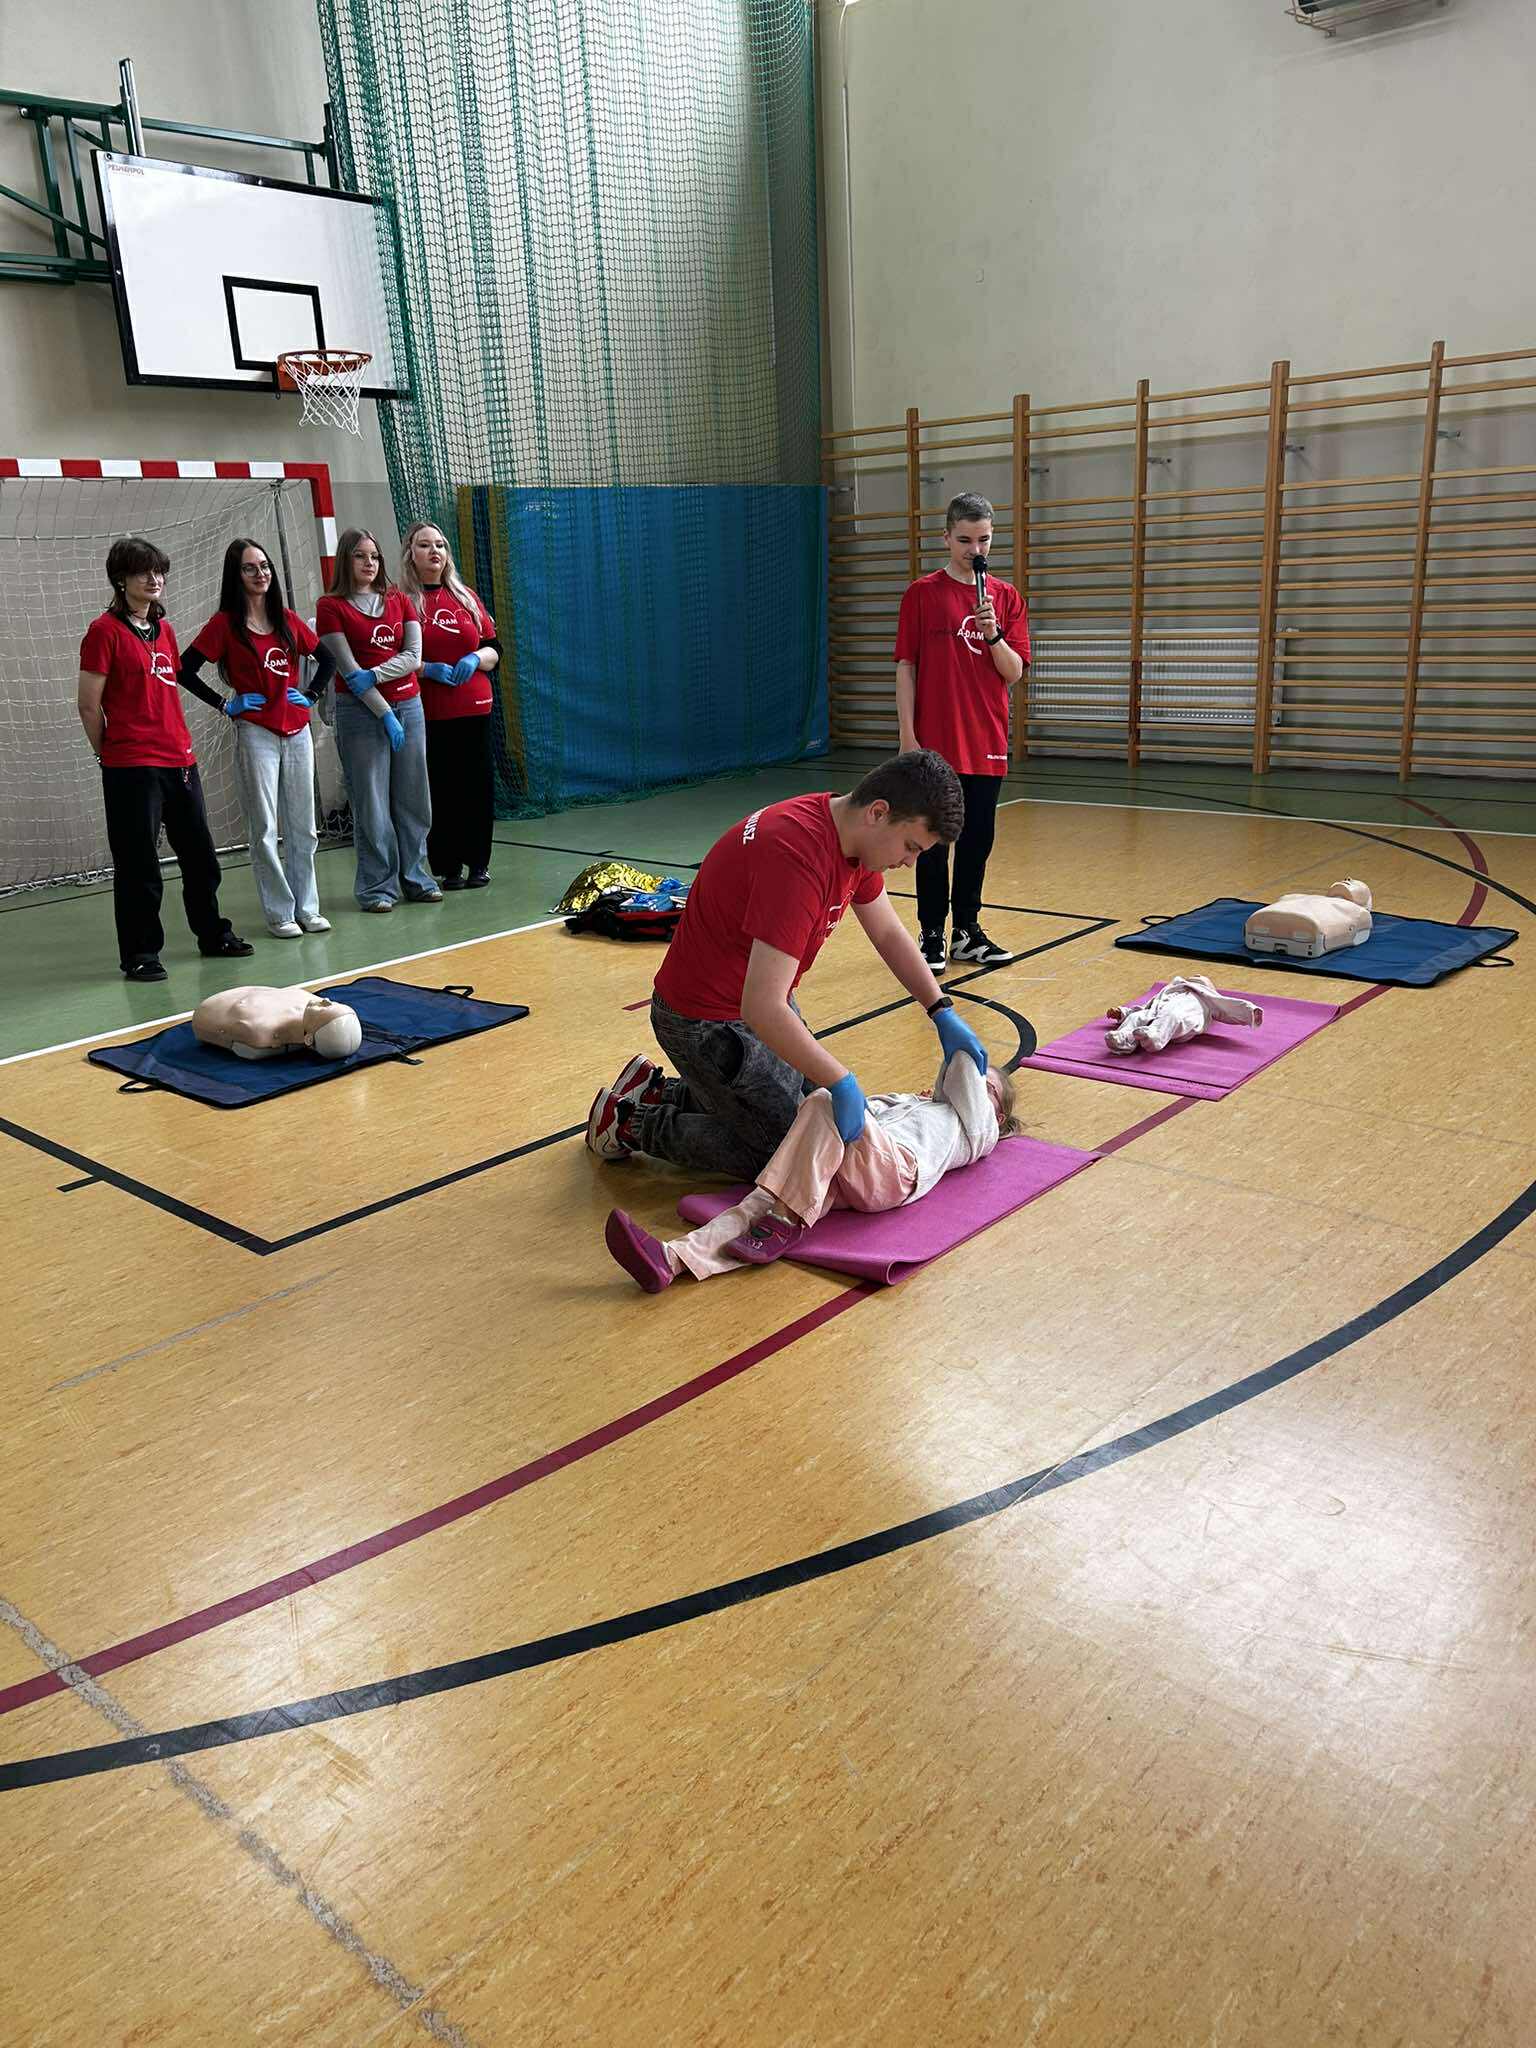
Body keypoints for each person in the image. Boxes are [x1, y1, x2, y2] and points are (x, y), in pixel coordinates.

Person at [585, 750, 987, 1183]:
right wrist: (841, 1080)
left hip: (753, 1003)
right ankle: (628, 1123)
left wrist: (940, 1009)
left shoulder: (852, 838)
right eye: (911, 847)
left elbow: (888, 933)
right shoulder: (797, 860)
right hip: (704, 1021)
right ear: (878, 812)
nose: (910, 863)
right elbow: (762, 1008)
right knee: (787, 1155)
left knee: (815, 1120)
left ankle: (657, 1090)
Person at [605, 1052, 1021, 1292]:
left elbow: (962, 1063)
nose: (977, 1086)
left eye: (988, 1089)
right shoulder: (915, 1102)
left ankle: (786, 1220)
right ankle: (672, 1260)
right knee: (766, 1200)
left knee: (825, 1098)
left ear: (998, 1115)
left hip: (894, 1171)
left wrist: (945, 1016)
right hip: (857, 1164)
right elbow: (861, 1114)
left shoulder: (978, 1131)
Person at [75, 536, 254, 983]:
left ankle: (212, 934)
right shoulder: (104, 631)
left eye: (158, 571)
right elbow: (88, 705)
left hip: (180, 759)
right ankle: (140, 953)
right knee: (139, 865)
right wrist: (107, 754)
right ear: (121, 579)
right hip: (131, 766)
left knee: (201, 857)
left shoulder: (166, 631)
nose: (154, 579)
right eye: (143, 572)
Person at [895, 491, 1031, 971]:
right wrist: (907, 736)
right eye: (966, 540)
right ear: (947, 538)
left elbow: (1013, 672)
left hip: (986, 740)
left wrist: (993, 633)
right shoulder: (922, 594)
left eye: (984, 540)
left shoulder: (1006, 598)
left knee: (977, 842)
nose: (976, 550)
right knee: (932, 840)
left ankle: (967, 932)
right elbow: (906, 666)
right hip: (935, 742)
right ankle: (932, 933)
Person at [179, 539, 336, 938]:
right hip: (256, 733)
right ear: (236, 575)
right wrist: (225, 704)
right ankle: (280, 913)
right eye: (250, 568)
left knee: (304, 827)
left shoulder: (286, 619)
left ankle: (308, 908)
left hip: (297, 731)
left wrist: (312, 694)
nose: (260, 573)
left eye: (264, 566)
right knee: (265, 827)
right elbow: (184, 669)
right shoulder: (224, 625)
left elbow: (327, 658)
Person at [316, 528, 433, 913]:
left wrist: (377, 675)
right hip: (360, 713)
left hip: (409, 706)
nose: (369, 563)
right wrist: (384, 713)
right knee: (371, 803)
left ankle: (416, 878)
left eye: (375, 556)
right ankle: (377, 887)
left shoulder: (398, 599)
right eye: (360, 556)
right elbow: (350, 673)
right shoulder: (330, 607)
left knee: (414, 798)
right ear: (345, 560)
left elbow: (413, 657)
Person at [398, 521, 500, 890]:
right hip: (429, 711)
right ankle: (448, 866)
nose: (434, 552)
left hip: (475, 707)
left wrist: (476, 658)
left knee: (477, 787)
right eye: (425, 545)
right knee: (440, 788)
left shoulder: (466, 597)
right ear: (411, 554)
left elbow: (494, 648)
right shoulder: (401, 602)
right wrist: (427, 669)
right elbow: (394, 658)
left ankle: (479, 863)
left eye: (440, 545)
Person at [191, 985, 362, 1060]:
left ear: (309, 1039)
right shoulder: (308, 1003)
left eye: (325, 1008)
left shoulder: (259, 1030)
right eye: (333, 1003)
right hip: (237, 998)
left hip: (211, 1009)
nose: (325, 1000)